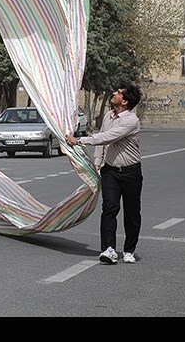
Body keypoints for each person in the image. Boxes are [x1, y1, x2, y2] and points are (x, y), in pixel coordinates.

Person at [66, 83, 143, 264]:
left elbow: (108, 137)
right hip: (111, 172)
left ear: (125, 101)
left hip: (131, 172)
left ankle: (129, 250)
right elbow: (102, 137)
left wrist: (79, 140)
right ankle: (108, 249)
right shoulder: (109, 115)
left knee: (132, 212)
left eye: (118, 93)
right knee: (110, 208)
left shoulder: (131, 120)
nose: (114, 93)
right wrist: (98, 162)